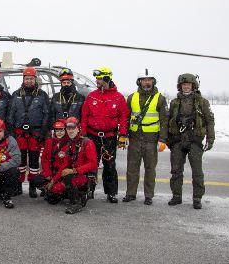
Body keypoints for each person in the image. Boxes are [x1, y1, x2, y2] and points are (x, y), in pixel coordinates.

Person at [80, 66, 129, 203]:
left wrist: (123, 135)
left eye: (99, 79)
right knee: (91, 164)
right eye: (96, 78)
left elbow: (124, 117)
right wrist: (83, 134)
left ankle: (111, 193)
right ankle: (89, 190)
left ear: (107, 78)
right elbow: (84, 116)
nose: (97, 81)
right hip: (92, 136)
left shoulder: (118, 98)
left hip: (109, 137)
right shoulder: (92, 96)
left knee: (110, 165)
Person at [167, 73, 214, 210]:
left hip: (195, 140)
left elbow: (210, 121)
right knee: (176, 171)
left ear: (193, 86)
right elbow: (168, 120)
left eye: (188, 84)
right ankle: (176, 196)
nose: (186, 86)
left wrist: (210, 139)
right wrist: (167, 139)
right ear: (180, 86)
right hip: (177, 141)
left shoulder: (202, 102)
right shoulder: (174, 103)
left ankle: (197, 198)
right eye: (183, 84)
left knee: (197, 171)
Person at [32, 117, 98, 213]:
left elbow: (93, 164)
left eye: (73, 128)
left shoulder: (87, 142)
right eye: (68, 128)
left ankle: (76, 202)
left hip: (84, 176)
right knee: (52, 198)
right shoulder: (70, 144)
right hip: (72, 174)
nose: (70, 130)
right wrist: (53, 180)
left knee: (67, 178)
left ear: (78, 128)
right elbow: (65, 163)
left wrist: (74, 170)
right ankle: (73, 194)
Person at [123, 69, 168, 205]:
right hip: (135, 138)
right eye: (144, 79)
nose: (146, 82)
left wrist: (162, 139)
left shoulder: (160, 98)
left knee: (150, 169)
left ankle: (149, 196)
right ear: (139, 81)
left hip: (151, 139)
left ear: (153, 81)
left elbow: (164, 121)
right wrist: (124, 135)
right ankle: (131, 193)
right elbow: (125, 118)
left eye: (149, 79)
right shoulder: (131, 97)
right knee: (132, 169)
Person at [6, 67, 51, 197]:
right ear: (23, 79)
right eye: (27, 78)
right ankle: (18, 186)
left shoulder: (42, 95)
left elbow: (46, 115)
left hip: (35, 134)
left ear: (35, 79)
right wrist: (12, 133)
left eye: (31, 78)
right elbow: (10, 115)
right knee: (19, 161)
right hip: (19, 133)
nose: (29, 81)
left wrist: (43, 133)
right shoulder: (16, 94)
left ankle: (33, 186)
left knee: (34, 161)